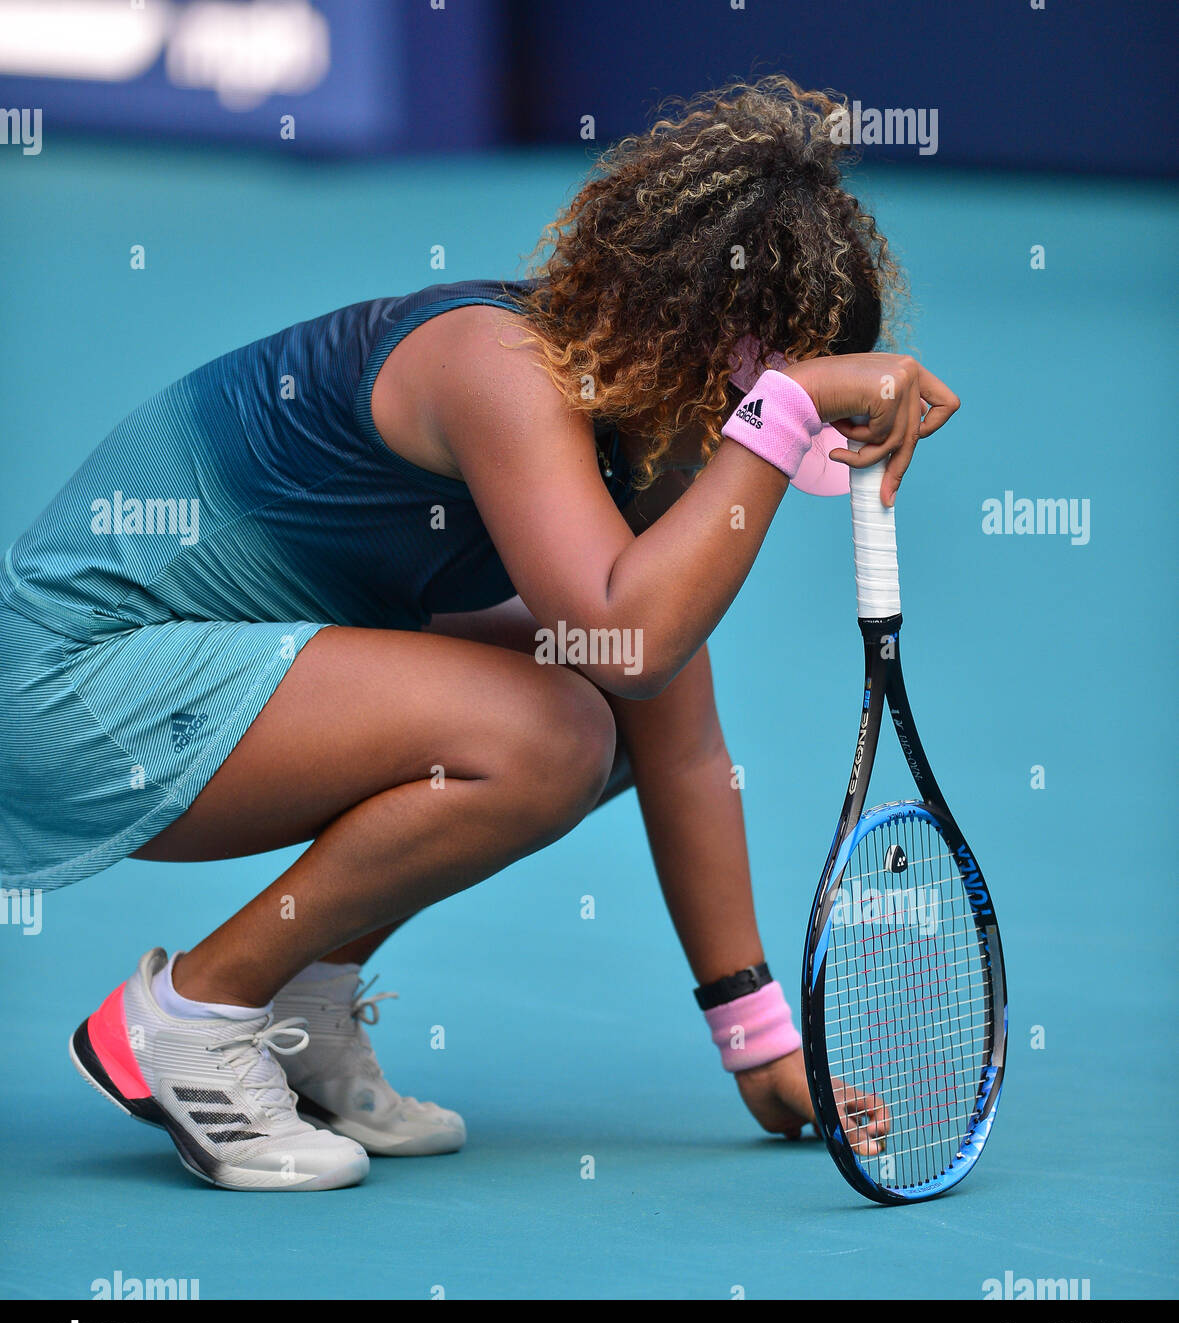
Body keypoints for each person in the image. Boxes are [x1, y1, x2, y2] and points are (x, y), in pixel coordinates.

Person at [0, 76, 957, 1190]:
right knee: (550, 732)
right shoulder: (494, 369)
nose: (767, 462)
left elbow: (676, 730)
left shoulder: (636, 421)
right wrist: (783, 412)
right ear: (720, 364)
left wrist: (761, 1050)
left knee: (601, 710)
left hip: (195, 670)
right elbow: (628, 640)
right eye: (762, 415)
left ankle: (304, 1011)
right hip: (74, 690)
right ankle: (190, 1015)